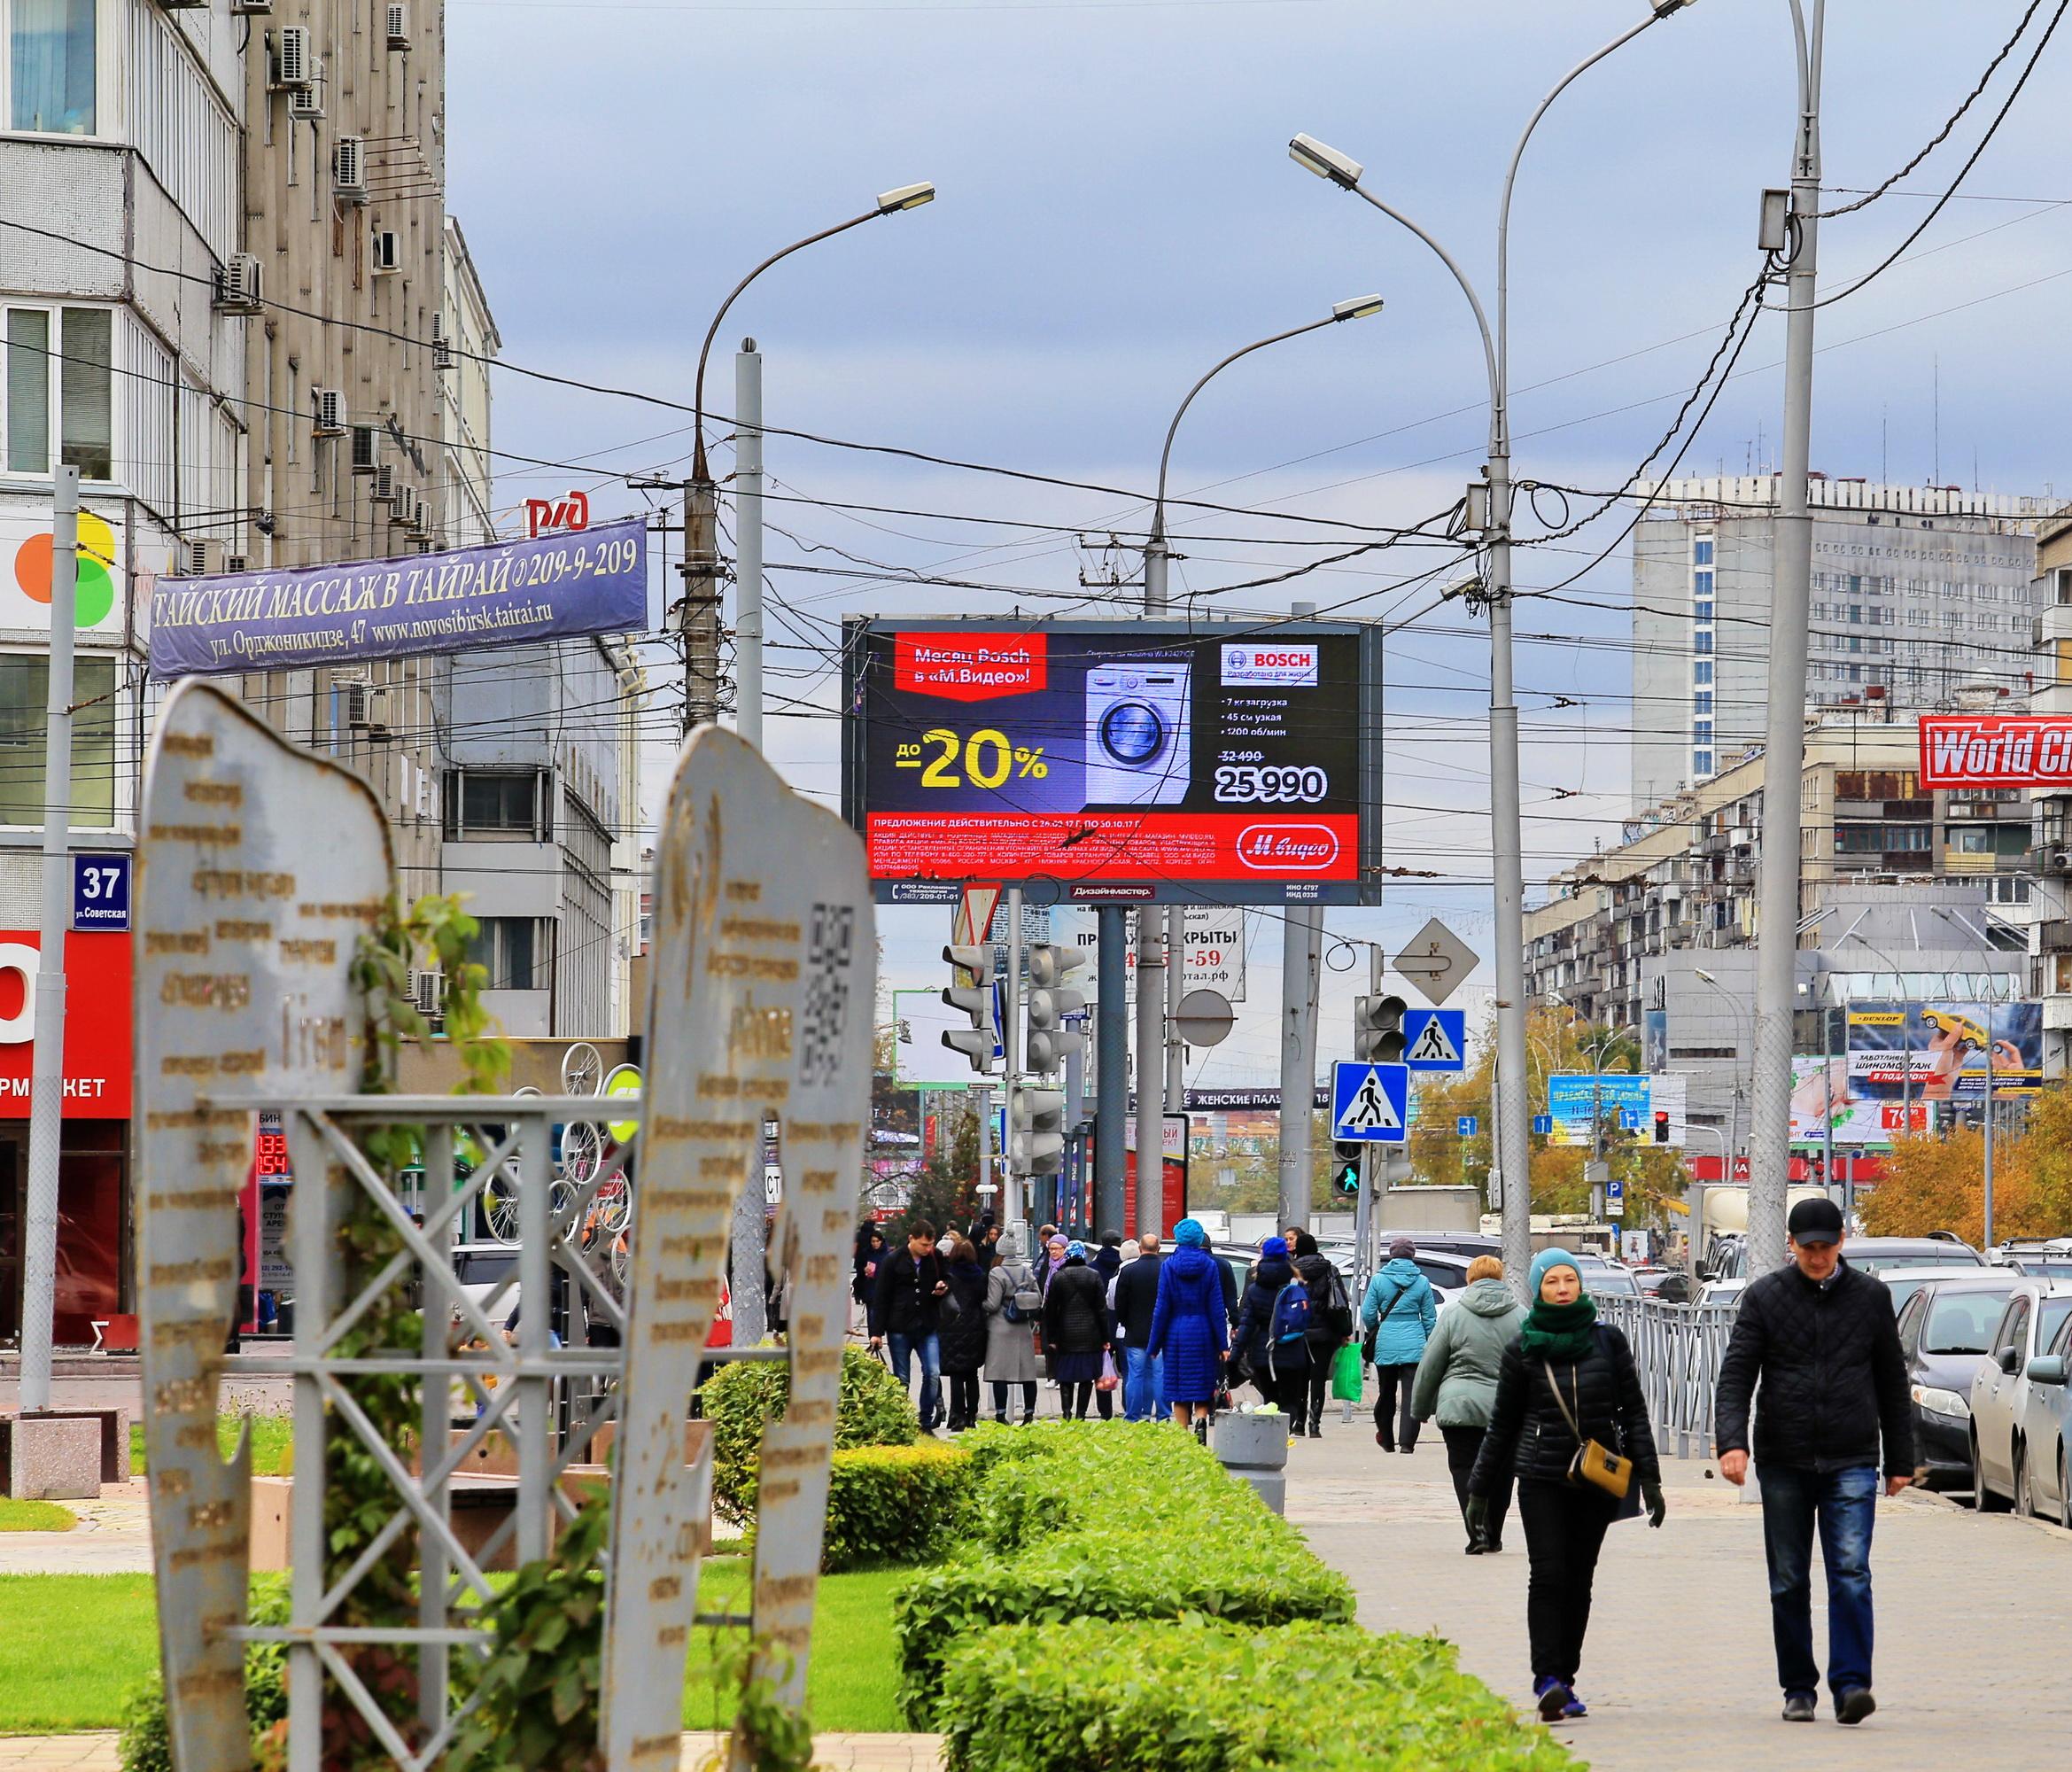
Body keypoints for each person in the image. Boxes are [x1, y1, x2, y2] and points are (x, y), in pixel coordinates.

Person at [1713, 1198, 1913, 1728]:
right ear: (1793, 1246)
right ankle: (1798, 1688)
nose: (1819, 1257)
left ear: (1842, 1242)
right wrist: (1732, 1442)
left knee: (1850, 1573)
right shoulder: (1765, 1298)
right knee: (1788, 1579)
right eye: (1809, 1248)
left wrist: (1901, 1458)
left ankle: (1851, 1686)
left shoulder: (1871, 1298)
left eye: (1827, 1247)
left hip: (1851, 1456)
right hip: (1783, 1457)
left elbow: (1893, 1381)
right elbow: (1736, 1375)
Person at [1468, 1249, 1664, 1722]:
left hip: (1596, 1480)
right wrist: (1478, 1490)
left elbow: (1633, 1411)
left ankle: (1567, 1679)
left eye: (1568, 1280)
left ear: (1580, 1286)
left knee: (1579, 1580)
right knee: (1549, 1575)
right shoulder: (1522, 1349)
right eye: (1552, 1281)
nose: (1561, 1288)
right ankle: (1547, 1679)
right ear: (1538, 1289)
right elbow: (1503, 1424)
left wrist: (1651, 1479)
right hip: (1541, 1477)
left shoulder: (1608, 1342)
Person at [1412, 1254, 1525, 1553]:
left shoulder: (1453, 1315)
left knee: (1464, 1467)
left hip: (1459, 1405)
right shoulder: (1522, 1316)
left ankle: (1475, 1533)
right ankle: (1494, 1534)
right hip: (1507, 1410)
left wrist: (1420, 1410)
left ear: (1469, 1279)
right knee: (1502, 1472)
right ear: (1500, 1278)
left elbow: (1430, 1365)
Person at [1146, 1217, 1228, 1431]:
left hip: (1176, 1333)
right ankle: (1201, 1420)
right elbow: (1217, 1308)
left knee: (1179, 1390)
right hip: (1204, 1332)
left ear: (1177, 1239)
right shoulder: (1210, 1266)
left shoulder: (1168, 1266)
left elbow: (1161, 1308)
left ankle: (1183, 1434)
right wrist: (1223, 1345)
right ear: (1199, 1238)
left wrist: (1154, 1345)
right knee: (1202, 1385)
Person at [869, 1219, 947, 1433]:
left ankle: (925, 1421)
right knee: (902, 1378)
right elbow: (882, 1296)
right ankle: (902, 1421)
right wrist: (876, 1332)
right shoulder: (893, 1260)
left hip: (927, 1323)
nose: (928, 1249)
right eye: (924, 1245)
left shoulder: (935, 1257)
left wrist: (943, 1287)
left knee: (932, 1372)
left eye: (931, 1244)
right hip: (899, 1326)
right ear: (911, 1239)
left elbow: (947, 1277)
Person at [1362, 1239, 1438, 1453]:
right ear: (1412, 1255)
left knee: (1386, 1392)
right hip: (1414, 1341)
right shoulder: (1422, 1281)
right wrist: (1429, 1341)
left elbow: (1368, 1313)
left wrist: (1377, 1328)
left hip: (1386, 1339)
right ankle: (1407, 1443)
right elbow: (1430, 1317)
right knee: (1411, 1395)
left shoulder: (1378, 1280)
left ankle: (1386, 1439)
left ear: (1392, 1255)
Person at [1231, 1237, 1312, 1429]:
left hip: (1263, 1352)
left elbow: (1247, 1324)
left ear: (1263, 1255)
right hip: (1293, 1350)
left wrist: (1234, 1356)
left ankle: (1272, 1438)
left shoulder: (1255, 1288)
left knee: (1270, 1398)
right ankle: (1284, 1434)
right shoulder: (1297, 1284)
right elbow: (1307, 1317)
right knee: (1291, 1399)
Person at [1042, 1241, 1114, 1419]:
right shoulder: (1094, 1276)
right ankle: (1081, 1414)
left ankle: (1066, 1412)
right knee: (1086, 1377)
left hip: (1065, 1334)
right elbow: (1101, 1310)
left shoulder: (1059, 1277)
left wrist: (1051, 1337)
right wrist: (1105, 1337)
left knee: (1065, 1375)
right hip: (1091, 1335)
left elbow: (1051, 1310)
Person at [1292, 1232, 1354, 1436]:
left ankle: (1298, 1424)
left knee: (1300, 1379)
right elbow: (1340, 1302)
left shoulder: (1292, 1272)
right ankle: (1315, 1425)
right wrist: (1345, 1332)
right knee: (1318, 1379)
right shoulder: (1329, 1270)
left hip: (1298, 1334)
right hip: (1325, 1334)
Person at [982, 1224, 1044, 1424]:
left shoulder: (997, 1273)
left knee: (1000, 1373)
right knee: (1027, 1373)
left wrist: (980, 1305)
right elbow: (1038, 1297)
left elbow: (992, 1304)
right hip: (1023, 1326)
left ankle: (1001, 1414)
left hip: (1001, 1325)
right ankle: (1028, 1413)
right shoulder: (1027, 1271)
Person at [937, 1232, 990, 1433]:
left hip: (951, 1328)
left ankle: (957, 1415)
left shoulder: (949, 1275)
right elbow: (984, 1300)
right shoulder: (980, 1276)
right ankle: (971, 1416)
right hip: (975, 1328)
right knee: (971, 1375)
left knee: (956, 1376)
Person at [1110, 1233, 1165, 1422]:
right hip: (1161, 1334)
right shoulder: (1166, 1269)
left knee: (1135, 1376)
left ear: (1140, 1249)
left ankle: (1133, 1416)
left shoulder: (1129, 1271)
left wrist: (1126, 1323)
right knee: (1158, 1375)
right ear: (1158, 1249)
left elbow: (1120, 1303)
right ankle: (1163, 1415)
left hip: (1135, 1332)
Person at [852, 1224, 888, 1335]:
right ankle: (872, 1337)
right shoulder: (866, 1253)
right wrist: (864, 1270)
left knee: (880, 1315)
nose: (875, 1243)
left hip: (882, 1288)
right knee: (871, 1314)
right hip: (869, 1288)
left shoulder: (886, 1255)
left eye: (877, 1241)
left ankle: (878, 1336)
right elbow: (859, 1267)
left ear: (881, 1241)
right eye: (873, 1241)